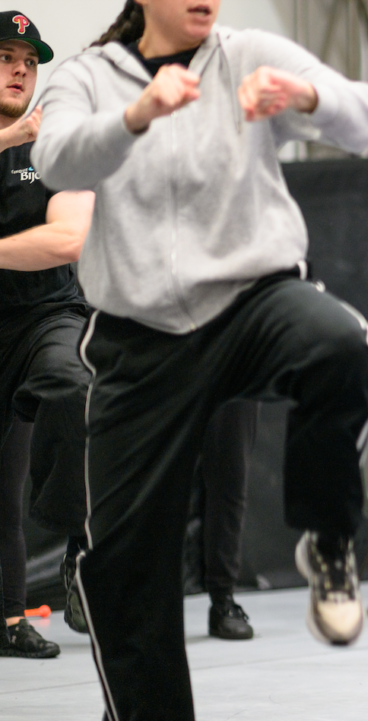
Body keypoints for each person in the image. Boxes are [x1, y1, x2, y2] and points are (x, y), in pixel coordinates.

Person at [34, 1, 368, 717]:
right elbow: (55, 157)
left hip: (251, 303)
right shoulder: (87, 76)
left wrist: (306, 95)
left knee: (340, 345)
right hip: (140, 337)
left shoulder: (250, 51)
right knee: (126, 566)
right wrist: (136, 115)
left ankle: (327, 540)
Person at [0, 9, 95, 659]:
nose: (20, 70)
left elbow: (66, 237)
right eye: (6, 57)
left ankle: (79, 547)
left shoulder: (54, 142)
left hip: (44, 315)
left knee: (74, 383)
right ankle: (8, 618)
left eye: (31, 62)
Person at [188, 400, 261, 639]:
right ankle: (145, 603)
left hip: (237, 368)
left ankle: (223, 601)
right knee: (157, 476)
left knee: (231, 479)